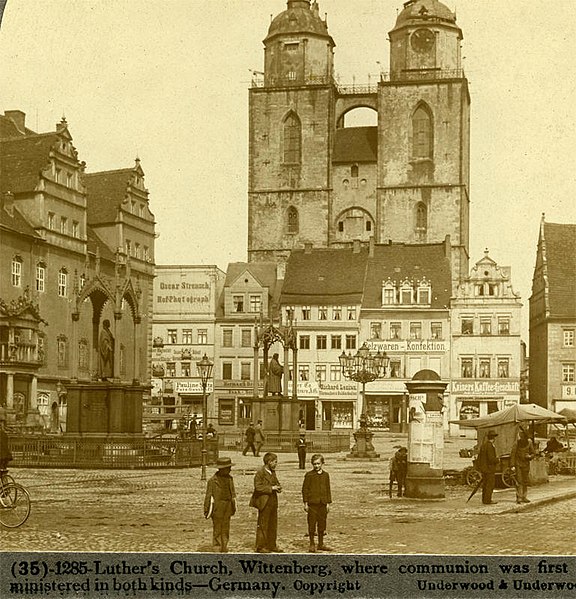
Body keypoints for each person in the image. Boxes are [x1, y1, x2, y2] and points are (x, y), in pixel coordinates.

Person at [250, 452, 282, 553]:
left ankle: (272, 545)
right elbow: (258, 487)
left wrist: (278, 487)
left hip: (273, 501)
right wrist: (271, 488)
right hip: (264, 502)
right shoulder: (260, 473)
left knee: (273, 524)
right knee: (263, 524)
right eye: (275, 462)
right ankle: (261, 546)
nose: (276, 464)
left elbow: (276, 482)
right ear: (269, 462)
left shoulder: (273, 472)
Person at [204, 457, 236, 553]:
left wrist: (233, 505)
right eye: (228, 468)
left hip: (227, 506)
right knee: (217, 528)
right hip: (217, 507)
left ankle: (224, 546)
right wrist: (206, 509)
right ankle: (217, 547)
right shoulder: (212, 481)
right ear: (222, 469)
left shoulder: (230, 479)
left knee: (226, 527)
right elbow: (208, 496)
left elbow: (233, 494)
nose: (230, 469)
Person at [302, 453, 332, 553]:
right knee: (312, 524)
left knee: (322, 524)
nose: (316, 466)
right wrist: (305, 503)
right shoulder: (309, 475)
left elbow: (328, 489)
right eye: (314, 464)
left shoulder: (326, 475)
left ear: (322, 463)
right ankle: (311, 544)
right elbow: (305, 489)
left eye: (318, 464)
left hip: (323, 503)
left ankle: (321, 544)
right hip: (312, 504)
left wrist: (328, 503)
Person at [510, 428, 536, 504]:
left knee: (525, 481)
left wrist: (530, 456)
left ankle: (524, 496)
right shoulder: (517, 443)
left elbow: (533, 453)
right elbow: (513, 454)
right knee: (519, 481)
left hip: (526, 464)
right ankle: (519, 497)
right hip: (518, 464)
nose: (522, 438)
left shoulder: (529, 442)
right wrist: (512, 465)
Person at [475, 429, 499, 505]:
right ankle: (488, 500)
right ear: (493, 438)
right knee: (490, 485)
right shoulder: (490, 446)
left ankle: (484, 500)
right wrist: (497, 459)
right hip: (489, 469)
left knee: (485, 485)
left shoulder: (484, 445)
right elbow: (491, 459)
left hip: (484, 469)